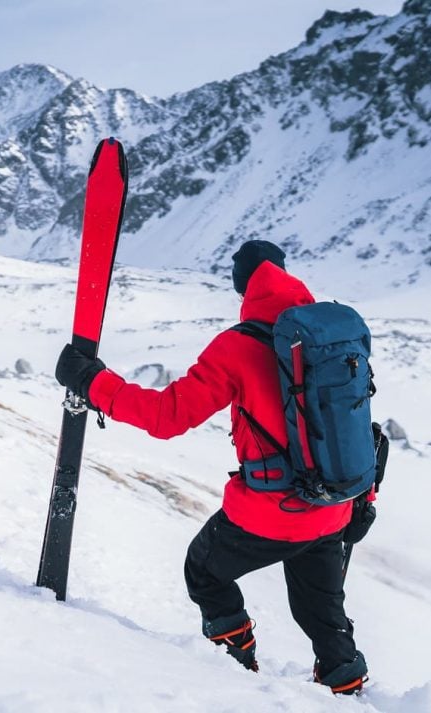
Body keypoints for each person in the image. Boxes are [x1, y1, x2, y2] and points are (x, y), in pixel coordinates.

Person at [55, 239, 370, 694]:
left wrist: (92, 381)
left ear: (242, 286)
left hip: (268, 514)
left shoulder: (237, 347)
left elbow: (167, 417)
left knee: (204, 571)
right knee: (323, 611)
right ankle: (347, 684)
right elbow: (356, 423)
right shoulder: (331, 338)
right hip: (333, 506)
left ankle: (234, 672)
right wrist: (363, 499)